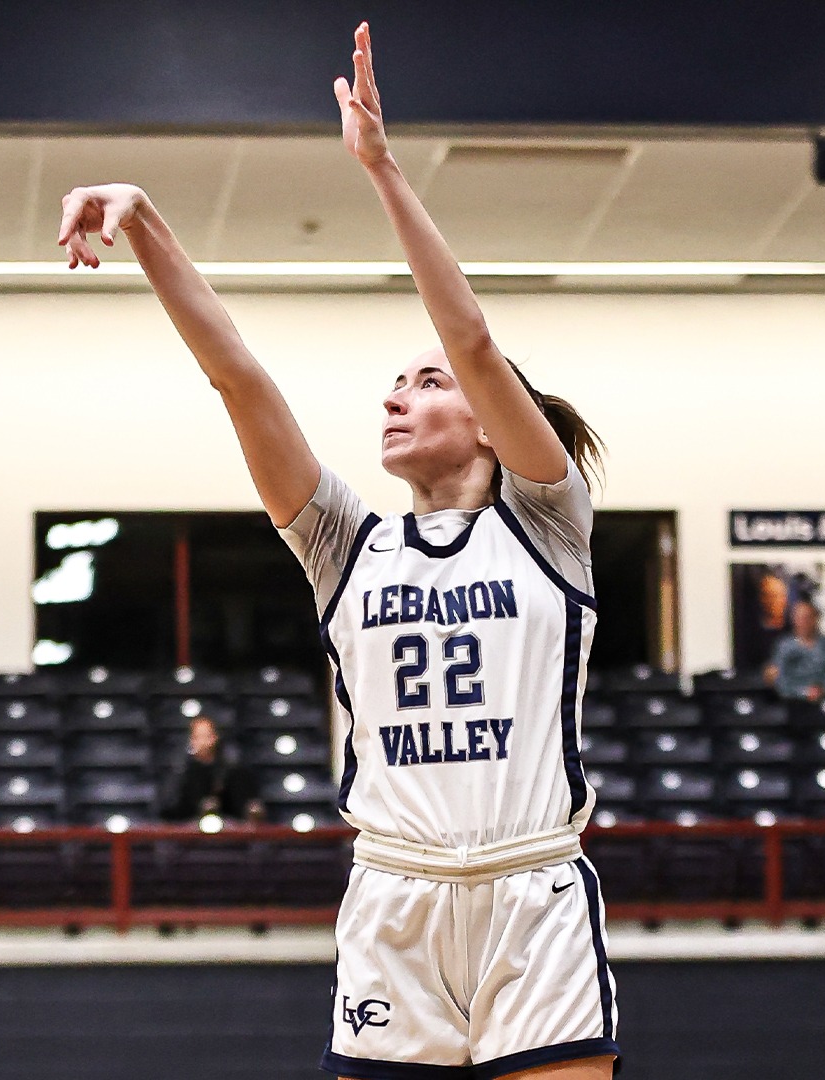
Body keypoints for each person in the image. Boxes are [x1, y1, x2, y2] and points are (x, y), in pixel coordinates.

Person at [58, 24, 617, 1079]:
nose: (400, 395)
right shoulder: (347, 546)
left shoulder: (548, 520)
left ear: (498, 426)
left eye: (427, 383)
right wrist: (149, 229)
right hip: (393, 894)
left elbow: (475, 344)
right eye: (395, 386)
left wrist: (381, 167)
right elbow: (242, 383)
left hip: (532, 892)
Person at [161, 715, 261, 822]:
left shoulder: (231, 768)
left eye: (207, 736)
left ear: (215, 737)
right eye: (198, 737)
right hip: (189, 826)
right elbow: (168, 806)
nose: (203, 742)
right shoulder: (182, 769)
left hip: (227, 825)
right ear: (191, 740)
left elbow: (244, 805)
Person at [765, 600, 825, 701]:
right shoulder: (784, 646)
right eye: (799, 618)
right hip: (793, 701)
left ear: (816, 618)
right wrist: (803, 692)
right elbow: (780, 677)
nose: (803, 622)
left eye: (807, 617)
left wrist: (824, 688)